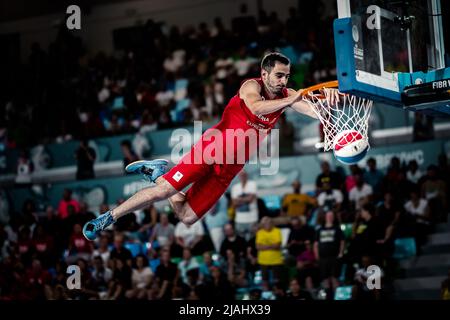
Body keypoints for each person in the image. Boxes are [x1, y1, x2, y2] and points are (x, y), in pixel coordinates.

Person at [83, 52, 338, 241]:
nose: (284, 81)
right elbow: (256, 107)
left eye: (287, 76)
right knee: (162, 193)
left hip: (229, 169)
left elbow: (314, 111)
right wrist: (292, 98)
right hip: (211, 150)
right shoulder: (252, 86)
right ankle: (108, 217)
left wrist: (329, 105)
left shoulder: (286, 95)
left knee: (187, 216)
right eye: (279, 75)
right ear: (264, 74)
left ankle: (159, 173)